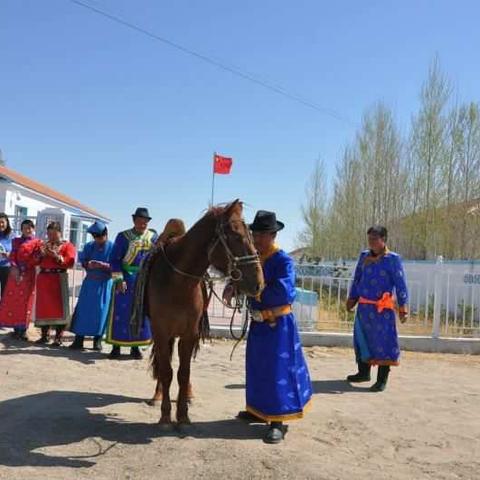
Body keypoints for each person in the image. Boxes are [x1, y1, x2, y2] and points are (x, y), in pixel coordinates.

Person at [225, 210, 312, 444]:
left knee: (278, 371)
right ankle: (257, 409)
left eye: (262, 235)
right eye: (254, 234)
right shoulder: (253, 258)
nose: (257, 239)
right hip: (258, 324)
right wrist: (233, 286)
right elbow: (239, 277)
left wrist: (252, 290)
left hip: (278, 325)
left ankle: (278, 421)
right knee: (257, 367)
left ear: (273, 235)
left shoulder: (283, 260)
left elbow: (284, 292)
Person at [346, 225, 409, 392]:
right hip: (364, 308)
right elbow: (357, 278)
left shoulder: (392, 259)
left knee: (384, 343)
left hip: (383, 310)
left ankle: (382, 379)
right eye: (369, 239)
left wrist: (403, 306)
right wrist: (352, 297)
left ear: (383, 240)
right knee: (362, 339)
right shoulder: (364, 257)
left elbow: (400, 283)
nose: (371, 242)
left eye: (375, 239)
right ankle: (363, 372)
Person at [105, 207, 156, 359]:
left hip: (145, 281)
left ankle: (136, 347)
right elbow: (114, 260)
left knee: (141, 313)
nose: (142, 225)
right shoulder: (124, 237)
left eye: (145, 222)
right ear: (134, 221)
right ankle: (116, 346)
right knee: (121, 312)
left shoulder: (153, 237)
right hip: (126, 279)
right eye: (140, 222)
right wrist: (119, 279)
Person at [69, 221, 113, 351]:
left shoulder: (113, 247)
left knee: (101, 312)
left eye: (99, 237)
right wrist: (88, 264)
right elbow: (83, 261)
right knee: (83, 310)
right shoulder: (89, 246)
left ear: (106, 234)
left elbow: (116, 265)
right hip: (89, 283)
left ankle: (97, 340)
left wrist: (102, 265)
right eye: (95, 237)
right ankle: (79, 339)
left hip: (104, 284)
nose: (97, 240)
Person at [35, 221, 76, 346]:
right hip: (43, 278)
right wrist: (40, 255)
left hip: (58, 277)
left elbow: (70, 262)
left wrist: (56, 256)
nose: (51, 236)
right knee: (44, 307)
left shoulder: (67, 245)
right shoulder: (43, 245)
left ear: (60, 233)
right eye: (49, 233)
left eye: (54, 233)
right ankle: (44, 335)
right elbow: (34, 260)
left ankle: (58, 337)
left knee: (59, 306)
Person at [0, 220, 42, 340]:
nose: (27, 230)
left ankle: (23, 329)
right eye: (24, 228)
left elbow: (37, 258)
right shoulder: (16, 241)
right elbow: (13, 255)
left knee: (25, 302)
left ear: (33, 229)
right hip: (15, 273)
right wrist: (14, 267)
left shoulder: (37, 243)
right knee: (13, 300)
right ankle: (15, 329)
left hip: (28, 274)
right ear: (21, 229)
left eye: (29, 228)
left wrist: (25, 267)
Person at [0, 213, 13, 297]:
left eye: (2, 222)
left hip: (6, 267)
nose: (0, 224)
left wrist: (9, 254)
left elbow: (17, 251)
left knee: (5, 293)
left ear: (7, 223)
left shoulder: (13, 236)